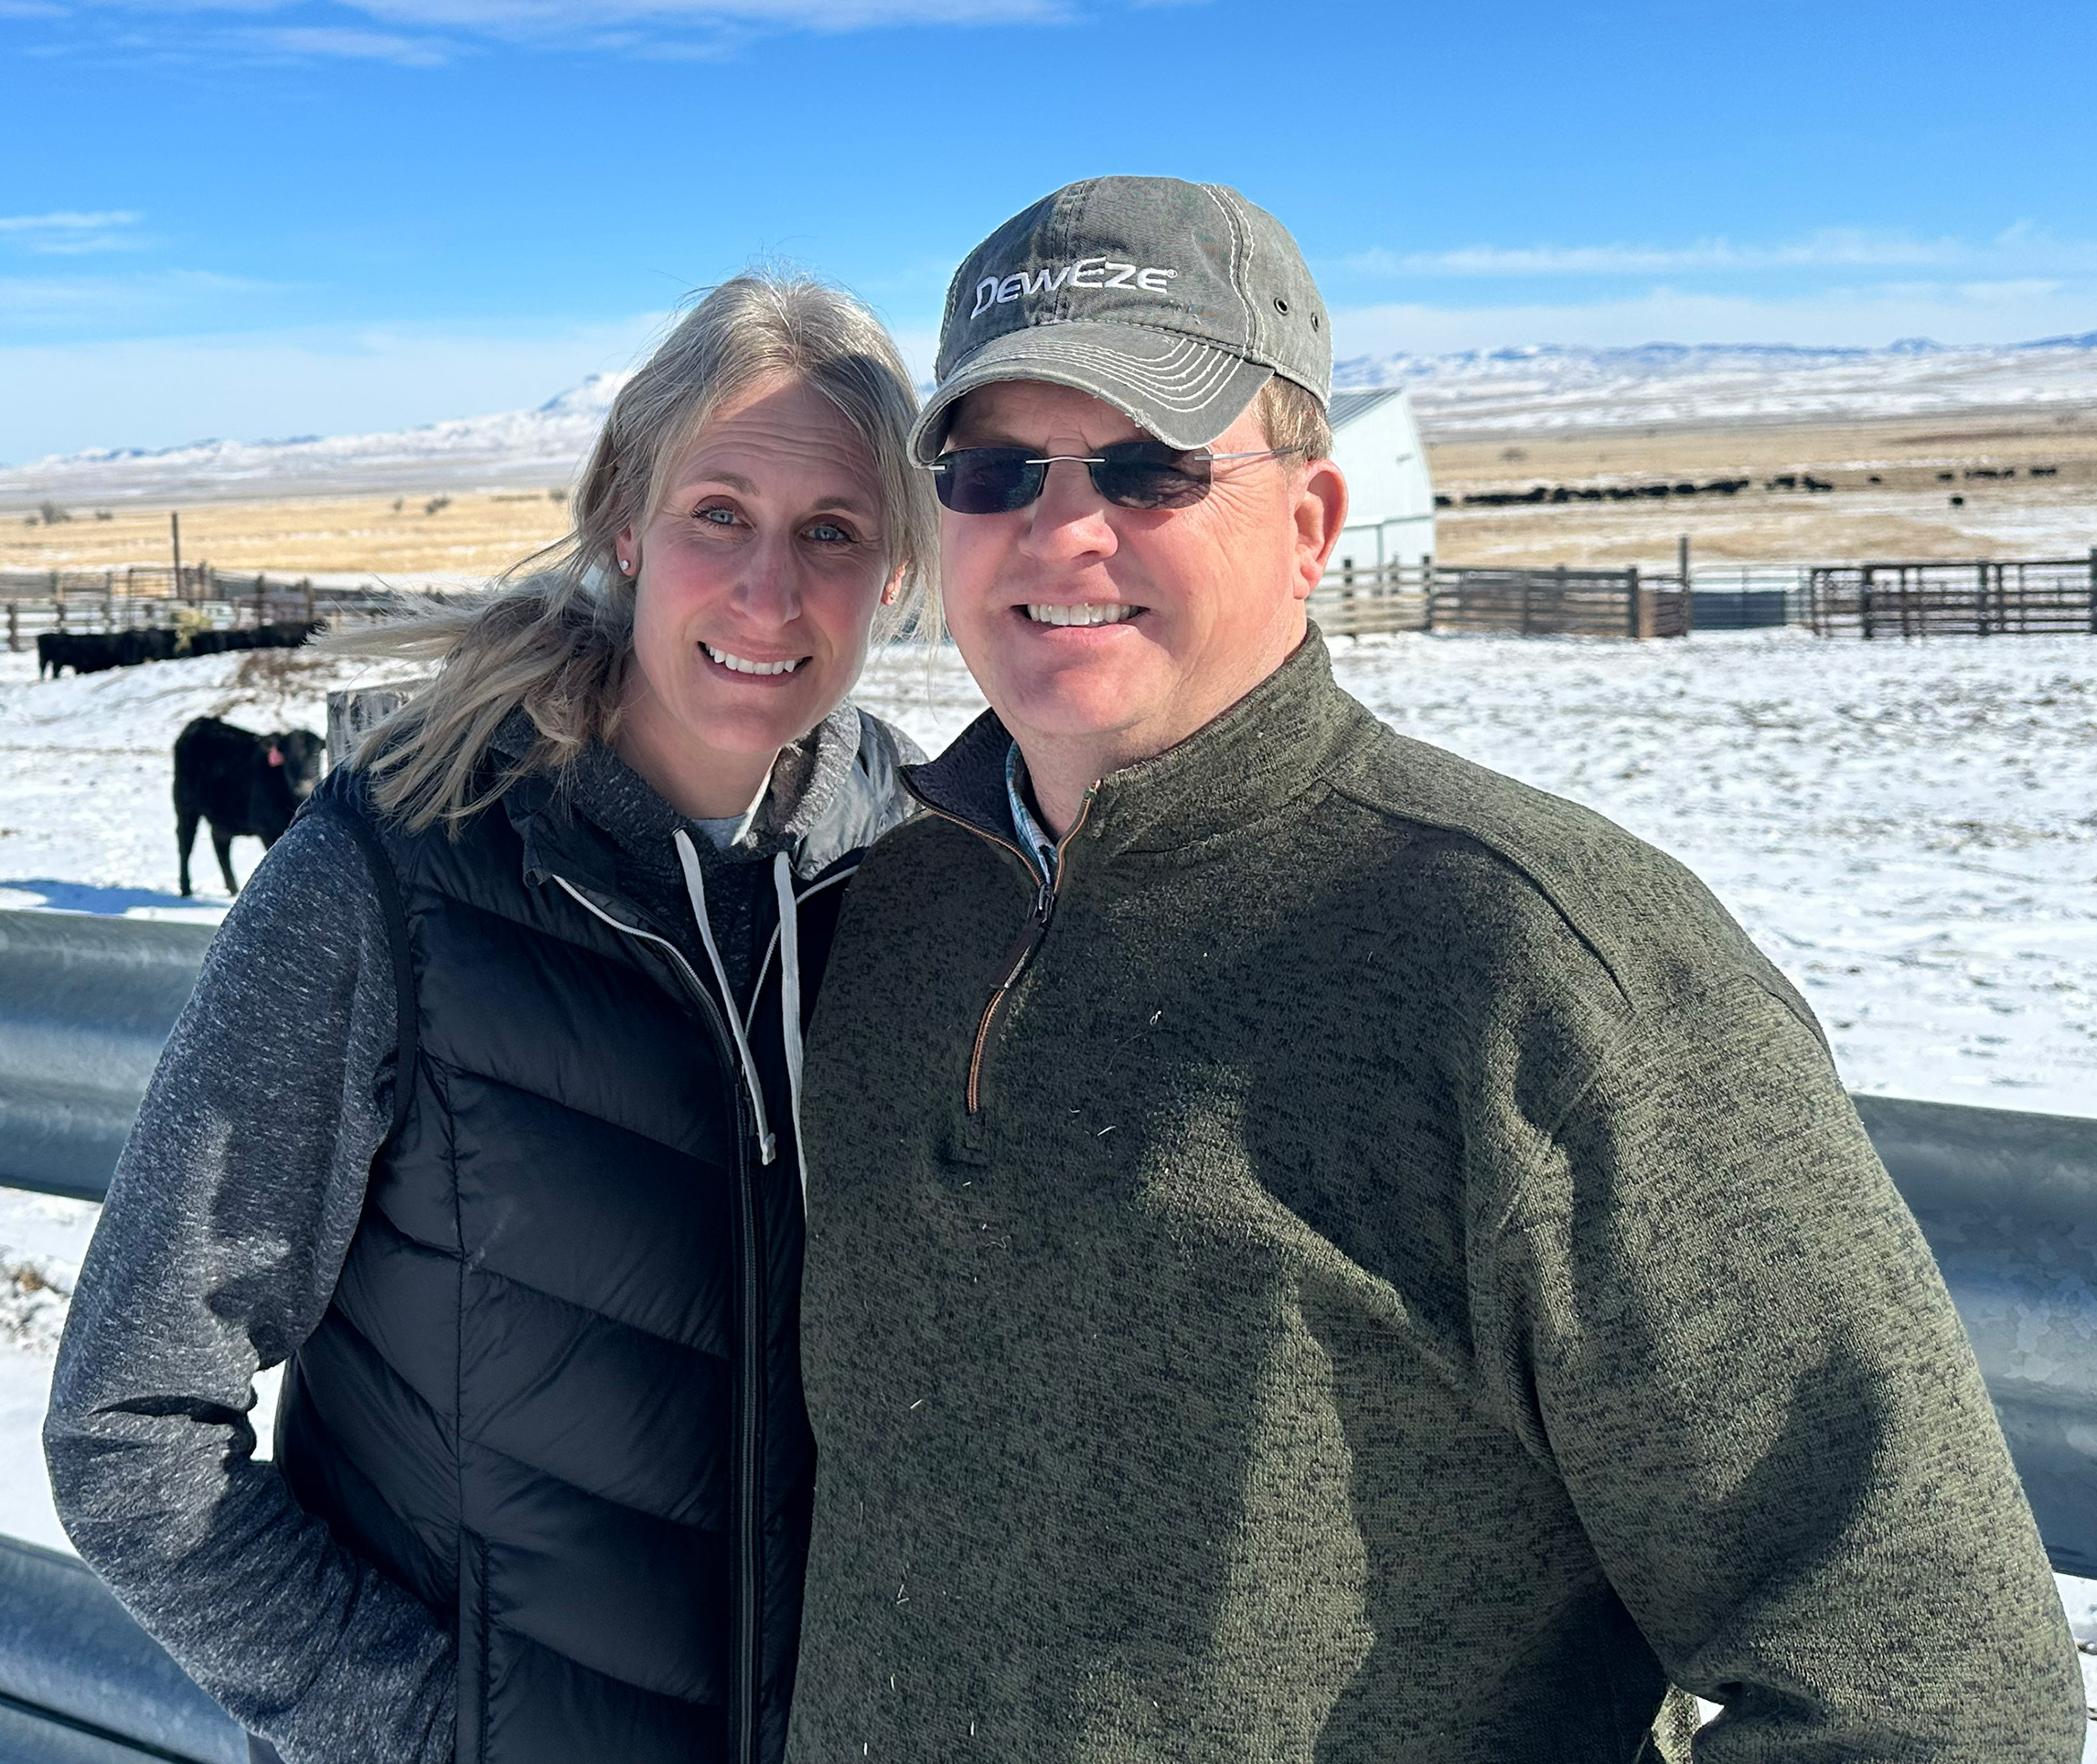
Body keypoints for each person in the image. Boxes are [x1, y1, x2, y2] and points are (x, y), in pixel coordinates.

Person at [786, 176, 2082, 1760]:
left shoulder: (1539, 969)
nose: (1063, 529)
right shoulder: (899, 908)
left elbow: (1929, 1686)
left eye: (1150, 465)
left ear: (1313, 523)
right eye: (995, 469)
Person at [47, 273, 936, 1764]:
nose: (771, 591)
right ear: (623, 524)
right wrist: (435, 1733)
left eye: (833, 531)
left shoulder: (924, 878)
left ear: (897, 571)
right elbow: (128, 1431)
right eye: (720, 510)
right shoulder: (394, 879)